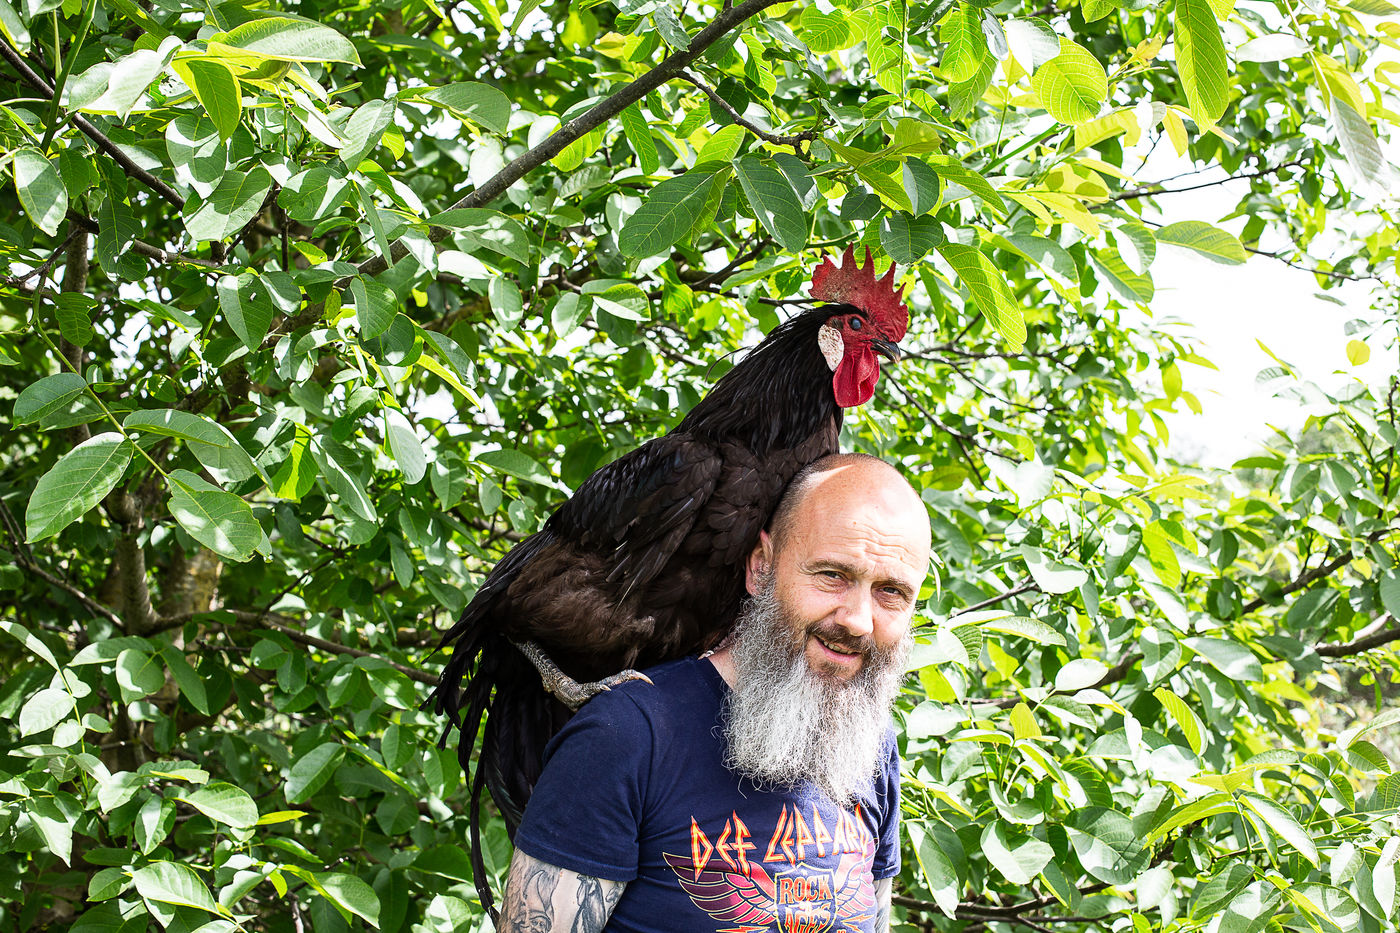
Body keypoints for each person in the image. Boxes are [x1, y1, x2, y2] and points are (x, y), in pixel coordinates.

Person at [498, 453, 933, 933]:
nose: (858, 620)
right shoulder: (626, 736)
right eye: (833, 575)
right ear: (761, 567)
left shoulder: (871, 748)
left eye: (891, 592)